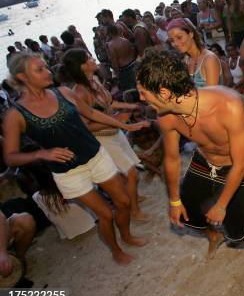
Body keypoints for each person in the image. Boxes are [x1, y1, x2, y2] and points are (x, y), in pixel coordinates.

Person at [135, 50, 244, 296]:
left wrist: (222, 204)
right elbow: (171, 158)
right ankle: (213, 235)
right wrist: (174, 200)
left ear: (165, 93)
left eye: (143, 92)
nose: (140, 98)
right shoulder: (166, 117)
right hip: (203, 162)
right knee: (190, 216)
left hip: (234, 167)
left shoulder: (228, 105)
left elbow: (241, 162)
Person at [2, 53, 148, 265]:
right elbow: (10, 157)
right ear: (23, 77)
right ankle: (116, 250)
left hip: (96, 156)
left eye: (46, 67)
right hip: (69, 173)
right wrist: (42, 153)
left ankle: (126, 235)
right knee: (106, 214)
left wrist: (125, 126)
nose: (48, 72)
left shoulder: (62, 92)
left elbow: (92, 114)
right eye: (40, 70)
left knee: (124, 202)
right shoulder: (16, 115)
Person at [59, 48, 149, 221]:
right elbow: (85, 127)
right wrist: (117, 120)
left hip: (115, 131)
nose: (93, 59)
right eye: (89, 58)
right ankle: (135, 211)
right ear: (83, 66)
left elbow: (110, 103)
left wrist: (130, 107)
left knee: (128, 169)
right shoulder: (79, 93)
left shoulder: (94, 80)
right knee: (131, 172)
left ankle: (133, 198)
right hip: (102, 139)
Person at [166, 19, 221, 88]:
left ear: (191, 34)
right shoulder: (186, 60)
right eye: (172, 40)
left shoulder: (209, 59)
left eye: (179, 37)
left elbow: (213, 96)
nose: (175, 43)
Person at [106, 24, 138, 94]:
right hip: (134, 66)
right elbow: (132, 53)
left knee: (130, 92)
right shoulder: (125, 40)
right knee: (139, 87)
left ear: (110, 33)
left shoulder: (111, 45)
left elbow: (114, 62)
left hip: (124, 71)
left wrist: (116, 76)